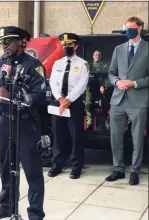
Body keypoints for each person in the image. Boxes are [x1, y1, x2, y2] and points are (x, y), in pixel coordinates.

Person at [0, 26, 46, 220]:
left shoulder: (33, 65)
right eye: (2, 43)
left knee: (33, 172)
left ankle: (36, 213)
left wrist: (13, 95)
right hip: (6, 122)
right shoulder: (0, 64)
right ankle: (7, 205)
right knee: (6, 169)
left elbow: (40, 96)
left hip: (26, 125)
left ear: (21, 42)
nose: (4, 46)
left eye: (8, 42)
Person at [105, 16, 148, 185]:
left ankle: (135, 171)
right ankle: (118, 169)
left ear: (140, 27)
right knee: (115, 137)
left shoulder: (147, 49)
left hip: (138, 100)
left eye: (131, 27)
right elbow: (111, 72)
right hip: (118, 99)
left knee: (137, 138)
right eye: (126, 27)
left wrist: (135, 83)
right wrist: (116, 82)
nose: (128, 30)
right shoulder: (119, 49)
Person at [48, 33, 89, 179]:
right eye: (64, 45)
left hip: (74, 104)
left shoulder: (83, 64)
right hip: (58, 103)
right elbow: (53, 82)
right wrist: (60, 99)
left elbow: (81, 85)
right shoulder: (57, 63)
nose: (66, 47)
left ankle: (76, 167)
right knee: (58, 135)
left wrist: (68, 100)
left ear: (76, 46)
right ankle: (57, 165)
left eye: (69, 45)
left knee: (76, 137)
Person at [85, 49, 109, 130]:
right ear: (93, 56)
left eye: (99, 55)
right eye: (96, 55)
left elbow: (106, 78)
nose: (97, 56)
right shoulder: (89, 65)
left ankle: (100, 124)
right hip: (90, 88)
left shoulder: (104, 66)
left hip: (100, 89)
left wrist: (103, 86)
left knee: (102, 105)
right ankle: (89, 123)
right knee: (88, 105)